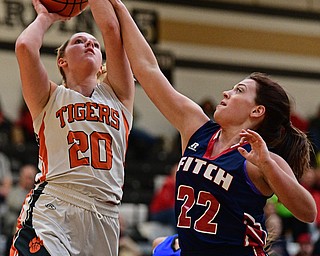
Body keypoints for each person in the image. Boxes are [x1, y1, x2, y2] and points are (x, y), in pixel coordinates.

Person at [107, 1, 317, 255]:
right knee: (159, 246)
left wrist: (268, 166)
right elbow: (148, 69)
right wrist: (119, 8)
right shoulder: (196, 128)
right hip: (191, 248)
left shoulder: (260, 159)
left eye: (239, 90)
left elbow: (307, 212)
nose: (226, 92)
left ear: (257, 110)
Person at [11, 0, 135, 254]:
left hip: (105, 215)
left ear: (102, 64)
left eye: (94, 44)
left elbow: (111, 28)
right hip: (55, 207)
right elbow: (25, 47)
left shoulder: (120, 95)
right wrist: (46, 17)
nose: (89, 43)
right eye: (78, 41)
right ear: (62, 61)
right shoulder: (48, 97)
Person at [4, 164, 38, 255]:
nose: (28, 180)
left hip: (31, 236)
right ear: (21, 177)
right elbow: (14, 203)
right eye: (26, 177)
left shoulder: (37, 193)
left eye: (31, 177)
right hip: (13, 233)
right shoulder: (14, 191)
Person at [149, 163, 177, 231]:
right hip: (158, 213)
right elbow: (166, 202)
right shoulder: (169, 183)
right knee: (174, 212)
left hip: (167, 211)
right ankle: (178, 234)